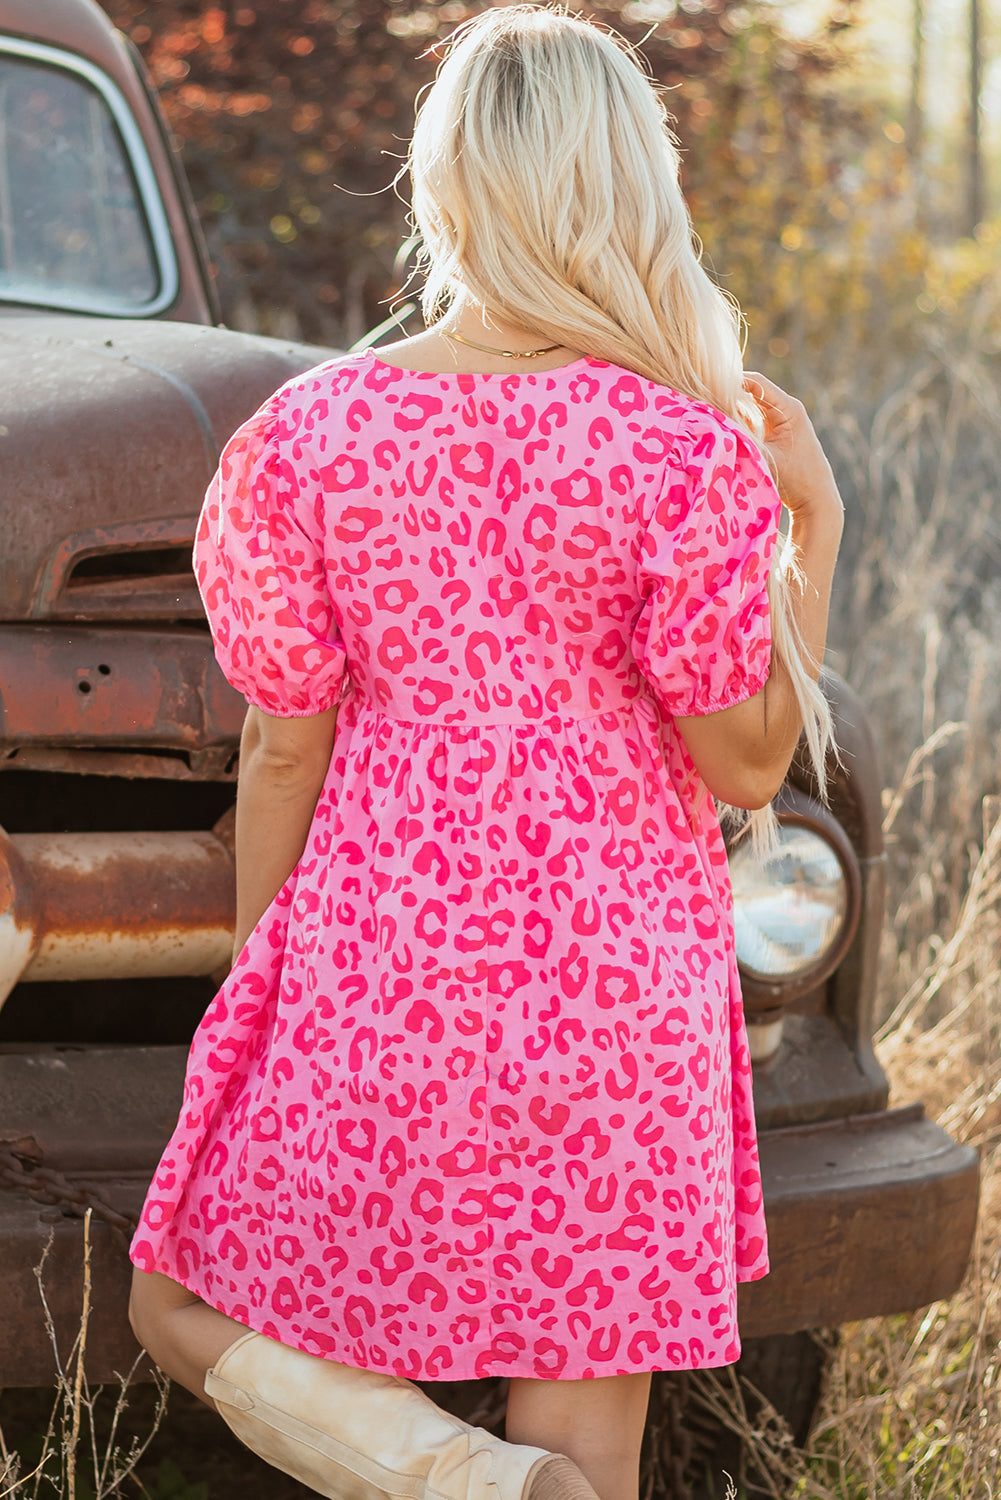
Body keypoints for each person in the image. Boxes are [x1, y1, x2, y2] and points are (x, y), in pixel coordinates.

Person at [128, 8, 844, 1500]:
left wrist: (265, 970)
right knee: (584, 1446)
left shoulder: (309, 436)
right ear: (629, 187)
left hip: (377, 974)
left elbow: (280, 749)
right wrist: (815, 532)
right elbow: (744, 767)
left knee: (172, 1304)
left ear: (443, 184)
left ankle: (463, 1483)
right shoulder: (683, 450)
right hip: (616, 1005)